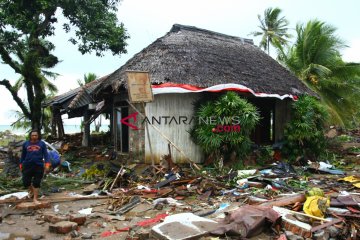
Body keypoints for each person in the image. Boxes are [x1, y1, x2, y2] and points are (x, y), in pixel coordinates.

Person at [19, 129, 51, 204]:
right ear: (30, 136)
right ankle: (31, 191)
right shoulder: (25, 144)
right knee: (26, 182)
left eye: (35, 135)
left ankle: (35, 199)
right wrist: (21, 164)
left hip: (38, 165)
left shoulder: (42, 144)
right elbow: (23, 155)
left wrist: (47, 164)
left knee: (36, 183)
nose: (34, 136)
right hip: (27, 165)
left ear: (38, 136)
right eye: (32, 135)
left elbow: (46, 155)